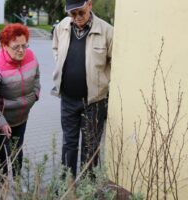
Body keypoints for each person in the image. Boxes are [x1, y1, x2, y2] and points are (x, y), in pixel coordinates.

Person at [52, 0, 113, 179]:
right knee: (68, 144)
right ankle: (67, 185)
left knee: (90, 147)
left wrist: (104, 81)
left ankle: (87, 188)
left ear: (90, 5)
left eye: (81, 13)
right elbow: (55, 47)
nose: (77, 18)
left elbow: (113, 62)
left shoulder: (107, 31)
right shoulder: (63, 26)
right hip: (68, 99)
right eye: (72, 13)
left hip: (94, 102)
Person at [0, 23, 40, 180]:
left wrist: (35, 95)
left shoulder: (31, 56)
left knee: (17, 151)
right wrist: (0, 122)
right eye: (16, 47)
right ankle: (3, 186)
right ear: (4, 45)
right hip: (1, 119)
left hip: (22, 116)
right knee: (2, 155)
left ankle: (18, 184)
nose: (21, 50)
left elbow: (36, 78)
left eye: (24, 45)